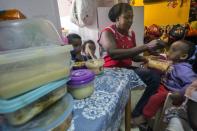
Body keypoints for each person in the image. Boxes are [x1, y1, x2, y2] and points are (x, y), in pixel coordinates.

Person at [98, 3, 164, 118]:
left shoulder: (131, 33)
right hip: (111, 70)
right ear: (117, 18)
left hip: (125, 69)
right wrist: (146, 46)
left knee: (155, 77)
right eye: (127, 17)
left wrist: (147, 58)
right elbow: (113, 53)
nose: (130, 20)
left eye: (132, 17)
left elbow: (132, 55)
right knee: (153, 77)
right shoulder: (107, 32)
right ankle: (136, 114)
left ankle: (136, 112)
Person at [133, 40, 197, 125]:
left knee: (155, 98)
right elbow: (163, 73)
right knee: (149, 89)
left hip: (173, 92)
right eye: (169, 49)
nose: (168, 51)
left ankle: (144, 117)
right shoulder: (172, 63)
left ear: (183, 56)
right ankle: (141, 112)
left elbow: (191, 84)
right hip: (164, 86)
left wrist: (180, 94)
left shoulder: (184, 69)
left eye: (173, 50)